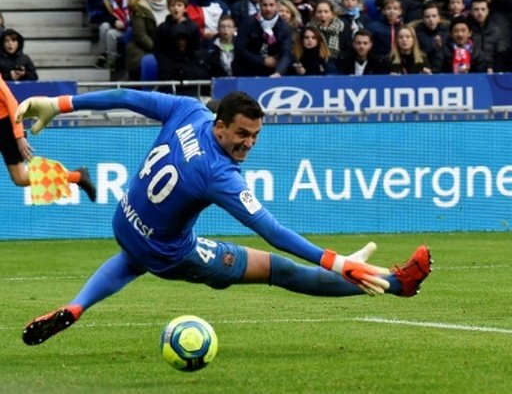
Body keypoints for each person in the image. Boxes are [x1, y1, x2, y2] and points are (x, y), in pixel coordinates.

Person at [16, 90, 431, 346]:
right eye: (241, 134)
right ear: (219, 127)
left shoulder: (185, 110)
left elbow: (125, 95)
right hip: (173, 254)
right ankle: (396, 284)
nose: (248, 144)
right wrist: (338, 261)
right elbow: (271, 230)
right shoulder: (219, 175)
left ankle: (76, 306)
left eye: (255, 136)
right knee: (279, 270)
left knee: (131, 259)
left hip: (125, 222)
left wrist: (59, 103)